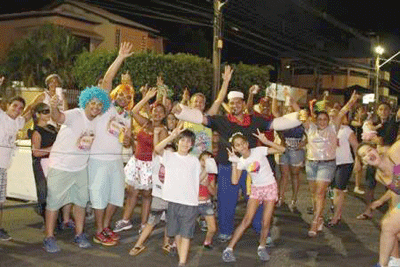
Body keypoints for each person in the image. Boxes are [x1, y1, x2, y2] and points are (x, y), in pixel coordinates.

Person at [173, 89, 302, 243]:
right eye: (232, 103)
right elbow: (201, 118)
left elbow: (276, 123)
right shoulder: (222, 120)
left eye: (238, 102)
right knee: (225, 200)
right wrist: (180, 111)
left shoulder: (255, 120)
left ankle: (262, 231)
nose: (235, 105)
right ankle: (226, 231)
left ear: (243, 104)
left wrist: (298, 116)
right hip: (228, 165)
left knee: (256, 200)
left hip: (251, 169)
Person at [43, 86, 111, 253]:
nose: (96, 107)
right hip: (61, 166)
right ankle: (49, 237)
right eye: (93, 103)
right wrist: (53, 107)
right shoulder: (75, 114)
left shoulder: (97, 121)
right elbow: (58, 117)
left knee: (80, 203)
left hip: (80, 168)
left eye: (100, 104)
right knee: (53, 203)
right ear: (86, 102)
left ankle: (79, 234)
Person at [88, 42, 134, 246]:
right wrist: (120, 57)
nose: (124, 98)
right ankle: (98, 231)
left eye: (128, 96)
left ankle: (106, 227)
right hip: (98, 159)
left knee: (116, 197)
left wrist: (128, 138)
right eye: (121, 94)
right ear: (115, 94)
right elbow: (106, 80)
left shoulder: (127, 117)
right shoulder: (106, 107)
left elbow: (126, 143)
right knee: (99, 196)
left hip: (116, 160)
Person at [302, 91, 359, 237]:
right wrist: (291, 101)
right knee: (315, 194)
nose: (323, 120)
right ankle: (319, 217)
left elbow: (342, 113)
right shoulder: (313, 129)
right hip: (312, 164)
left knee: (323, 193)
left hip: (332, 164)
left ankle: (316, 221)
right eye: (320, 118)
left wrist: (351, 101)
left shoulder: (337, 128)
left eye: (325, 118)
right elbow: (301, 114)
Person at [222, 130, 285, 262]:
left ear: (247, 143)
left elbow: (282, 149)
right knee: (246, 220)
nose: (242, 146)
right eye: (238, 145)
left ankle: (262, 247)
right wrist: (234, 162)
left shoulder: (259, 150)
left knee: (265, 221)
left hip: (270, 187)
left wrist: (267, 141)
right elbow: (234, 181)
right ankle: (228, 249)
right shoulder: (240, 161)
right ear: (235, 148)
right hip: (256, 189)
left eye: (243, 143)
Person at [115, 87, 168, 233]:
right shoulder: (146, 123)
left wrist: (156, 134)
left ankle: (144, 223)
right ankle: (126, 220)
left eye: (160, 112)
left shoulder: (163, 130)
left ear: (164, 115)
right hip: (136, 162)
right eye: (154, 110)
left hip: (150, 165)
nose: (156, 113)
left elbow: (159, 150)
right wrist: (146, 98)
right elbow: (133, 111)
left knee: (146, 195)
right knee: (132, 192)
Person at [154, 126, 201, 267]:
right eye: (182, 140)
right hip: (173, 201)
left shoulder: (194, 161)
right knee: (177, 233)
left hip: (189, 202)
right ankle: (182, 259)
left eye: (189, 141)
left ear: (192, 145)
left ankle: (182, 262)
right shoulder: (169, 156)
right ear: (177, 142)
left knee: (186, 234)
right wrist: (171, 136)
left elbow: (196, 180)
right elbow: (157, 149)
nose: (185, 143)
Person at [0, 95, 40, 240]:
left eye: (20, 107)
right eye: (14, 106)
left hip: (3, 167)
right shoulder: (1, 116)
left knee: (1, 201)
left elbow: (28, 115)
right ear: (7, 105)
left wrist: (38, 101)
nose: (17, 110)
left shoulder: (17, 122)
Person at [357, 141, 400, 267]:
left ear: (376, 150)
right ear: (364, 162)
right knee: (391, 229)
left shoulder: (393, 154)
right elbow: (396, 191)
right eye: (364, 155)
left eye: (370, 150)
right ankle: (395, 260)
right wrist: (381, 201)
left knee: (388, 225)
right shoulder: (379, 176)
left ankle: (382, 264)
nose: (368, 155)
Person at [129, 144, 176, 256]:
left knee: (169, 223)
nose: (167, 155)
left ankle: (166, 243)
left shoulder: (175, 165)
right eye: (166, 152)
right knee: (151, 222)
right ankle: (138, 244)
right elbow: (156, 148)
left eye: (171, 153)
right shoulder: (156, 160)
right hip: (158, 198)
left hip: (172, 198)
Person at [357, 102, 400, 220]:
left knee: (394, 188)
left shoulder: (393, 122)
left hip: (391, 160)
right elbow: (368, 142)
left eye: (386, 109)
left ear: (390, 111)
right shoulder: (373, 124)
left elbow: (381, 141)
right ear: (377, 111)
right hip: (375, 160)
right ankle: (368, 210)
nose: (383, 111)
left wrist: (376, 140)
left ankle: (393, 212)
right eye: (380, 109)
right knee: (370, 185)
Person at [326, 108, 359, 226]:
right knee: (330, 189)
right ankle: (335, 209)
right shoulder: (327, 130)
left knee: (338, 190)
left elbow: (355, 146)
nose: (332, 118)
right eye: (329, 116)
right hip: (330, 163)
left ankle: (335, 217)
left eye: (334, 116)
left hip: (344, 163)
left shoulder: (346, 130)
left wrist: (358, 162)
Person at [29, 103, 58, 222]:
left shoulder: (51, 128)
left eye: (49, 111)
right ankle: (47, 219)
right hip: (41, 164)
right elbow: (35, 152)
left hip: (53, 162)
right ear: (38, 114)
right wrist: (51, 149)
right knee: (43, 192)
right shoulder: (36, 132)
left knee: (54, 191)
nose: (48, 114)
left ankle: (56, 219)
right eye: (45, 112)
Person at [197, 151, 217, 249]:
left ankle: (207, 242)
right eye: (203, 160)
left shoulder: (211, 175)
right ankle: (176, 243)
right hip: (194, 203)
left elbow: (213, 193)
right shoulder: (193, 171)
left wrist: (208, 185)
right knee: (185, 226)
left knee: (212, 228)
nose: (205, 163)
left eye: (208, 161)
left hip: (206, 203)